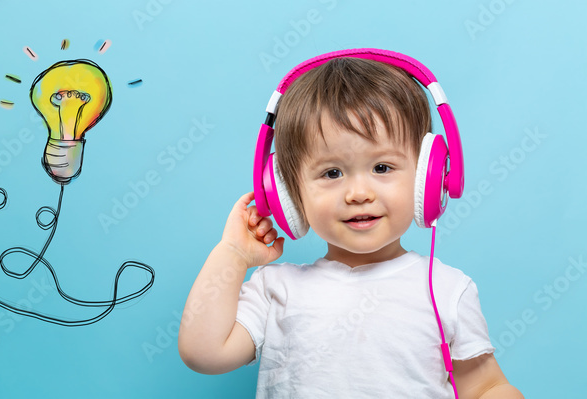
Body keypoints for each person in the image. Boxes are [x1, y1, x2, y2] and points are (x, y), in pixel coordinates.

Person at [177, 55, 524, 398]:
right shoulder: (277, 289)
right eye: (332, 173)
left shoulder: (447, 290)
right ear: (287, 191)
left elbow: (485, 386)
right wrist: (233, 255)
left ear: (428, 176)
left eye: (383, 168)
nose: (358, 193)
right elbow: (203, 353)